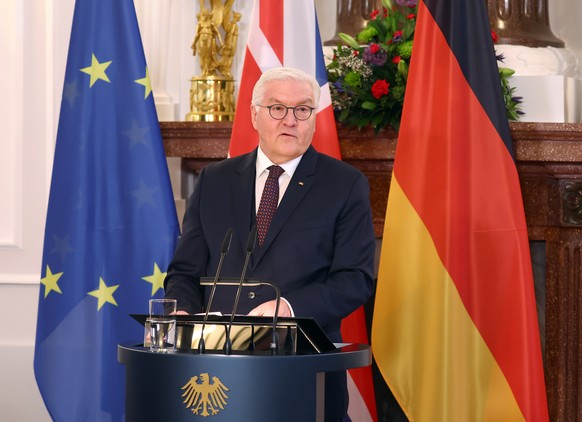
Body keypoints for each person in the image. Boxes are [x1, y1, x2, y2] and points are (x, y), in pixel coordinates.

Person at [164, 67, 376, 421]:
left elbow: (356, 278)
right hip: (217, 373)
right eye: (278, 108)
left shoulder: (344, 184)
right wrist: (183, 314)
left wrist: (289, 307)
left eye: (303, 109)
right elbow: (184, 271)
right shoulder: (214, 181)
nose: (290, 120)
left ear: (314, 118)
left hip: (304, 372)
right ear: (255, 114)